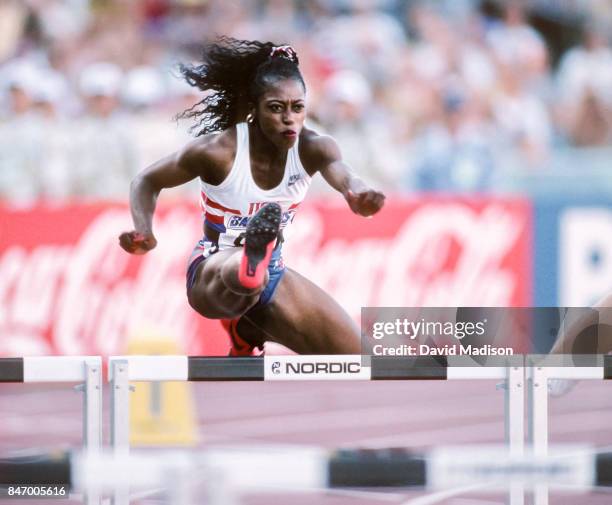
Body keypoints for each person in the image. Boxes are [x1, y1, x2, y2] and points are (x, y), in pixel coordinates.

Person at [118, 37, 385, 355]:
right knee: (239, 272)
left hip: (273, 275)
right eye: (276, 108)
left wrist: (357, 192)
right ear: (255, 110)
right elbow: (146, 181)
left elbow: (342, 172)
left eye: (297, 108)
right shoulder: (219, 151)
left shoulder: (315, 147)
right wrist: (144, 230)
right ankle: (248, 265)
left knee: (365, 359)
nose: (289, 119)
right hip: (211, 271)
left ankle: (245, 323)